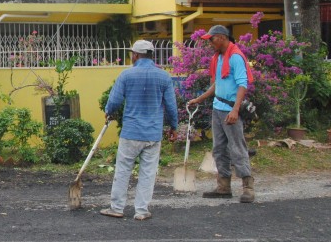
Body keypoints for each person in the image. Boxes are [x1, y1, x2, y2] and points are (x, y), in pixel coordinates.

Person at [101, 39, 178, 221]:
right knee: (148, 172)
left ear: (135, 55)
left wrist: (109, 112)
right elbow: (171, 106)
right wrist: (173, 126)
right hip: (153, 133)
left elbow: (114, 101)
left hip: (131, 132)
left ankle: (117, 207)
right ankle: (142, 210)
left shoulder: (126, 75)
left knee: (123, 170)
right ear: (151, 55)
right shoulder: (164, 77)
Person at [187, 25, 255, 203]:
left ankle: (248, 187)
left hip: (230, 110)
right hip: (218, 108)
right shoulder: (219, 57)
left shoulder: (235, 57)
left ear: (222, 38)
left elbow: (243, 84)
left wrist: (235, 110)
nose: (210, 43)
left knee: (237, 148)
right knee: (219, 149)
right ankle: (223, 187)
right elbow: (217, 84)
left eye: (212, 39)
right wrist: (199, 99)